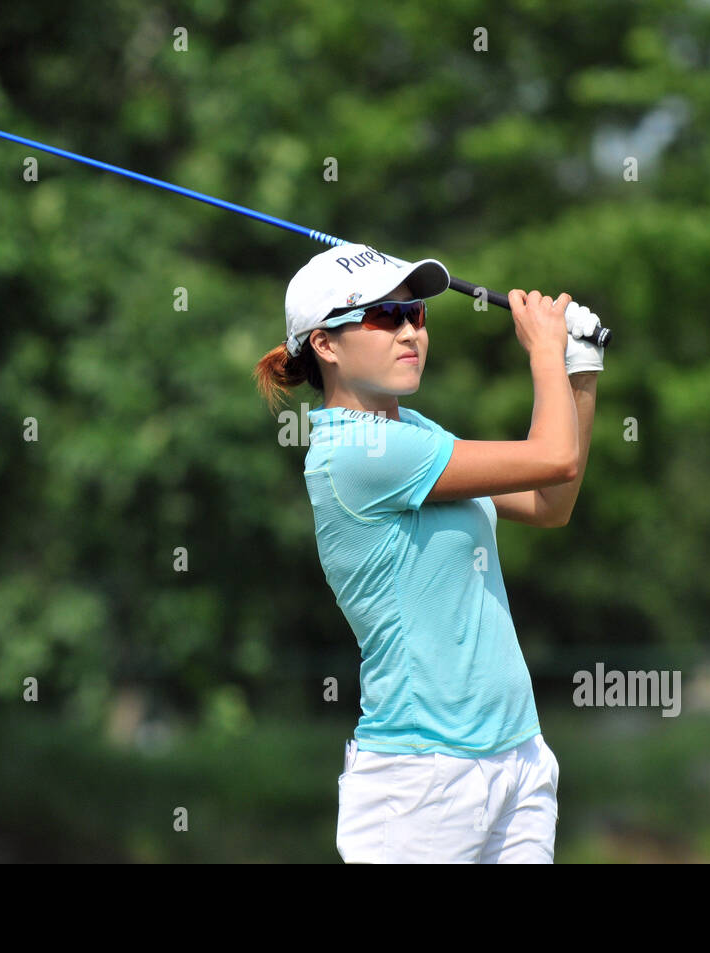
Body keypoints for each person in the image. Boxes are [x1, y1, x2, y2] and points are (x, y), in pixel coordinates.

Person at [252, 243, 604, 863]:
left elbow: (552, 502)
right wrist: (546, 350)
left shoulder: (413, 433)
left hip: (515, 754)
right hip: (421, 782)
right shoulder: (355, 454)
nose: (411, 330)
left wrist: (579, 369)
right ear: (326, 345)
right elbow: (555, 456)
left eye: (416, 313)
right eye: (385, 317)